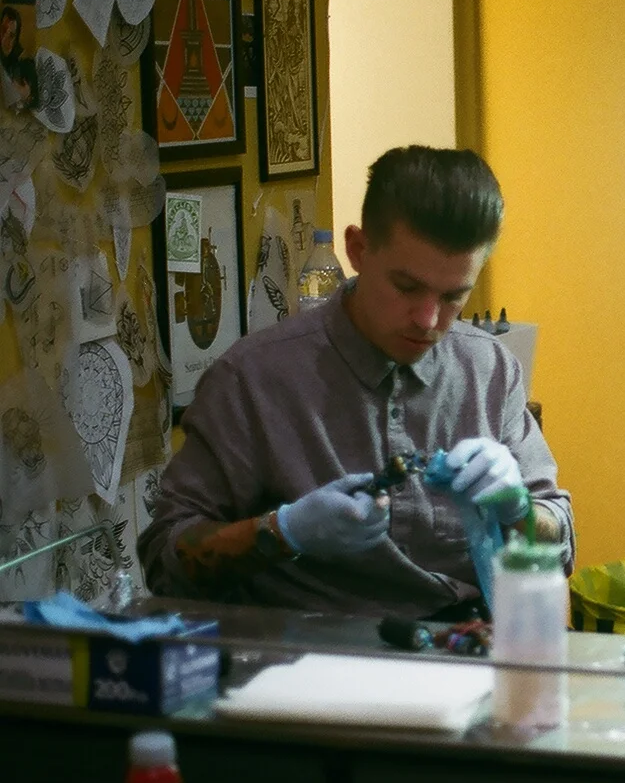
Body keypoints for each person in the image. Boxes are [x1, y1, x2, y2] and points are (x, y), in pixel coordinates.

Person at [139, 146, 572, 621]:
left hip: (462, 647)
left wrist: (518, 509)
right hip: (311, 657)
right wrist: (283, 532)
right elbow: (164, 562)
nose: (428, 320)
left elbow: (559, 543)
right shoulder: (255, 380)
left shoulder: (490, 371)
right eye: (406, 288)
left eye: (453, 296)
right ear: (358, 251)